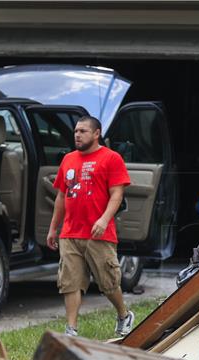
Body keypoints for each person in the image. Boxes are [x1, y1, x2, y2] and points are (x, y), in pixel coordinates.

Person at [46, 116, 134, 337]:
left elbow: (117, 194)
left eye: (83, 131)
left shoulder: (111, 158)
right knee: (70, 282)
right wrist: (53, 228)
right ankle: (71, 329)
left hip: (99, 233)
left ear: (96, 133)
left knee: (108, 282)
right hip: (70, 232)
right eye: (76, 131)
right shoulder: (68, 160)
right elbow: (60, 197)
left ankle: (124, 315)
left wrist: (104, 220)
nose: (77, 134)